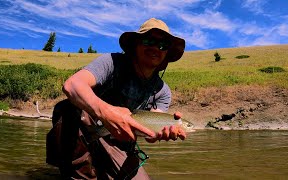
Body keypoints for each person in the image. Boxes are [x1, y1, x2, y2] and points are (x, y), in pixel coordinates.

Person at [46, 18, 187, 179]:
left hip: (122, 147)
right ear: (136, 45)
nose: (155, 47)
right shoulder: (112, 62)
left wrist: (159, 133)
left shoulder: (163, 91)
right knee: (68, 108)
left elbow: (152, 130)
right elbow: (72, 85)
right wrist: (108, 114)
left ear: (167, 53)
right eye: (149, 40)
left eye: (163, 45)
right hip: (86, 130)